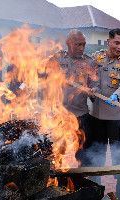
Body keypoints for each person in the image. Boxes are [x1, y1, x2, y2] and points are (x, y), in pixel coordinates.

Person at [89, 28, 120, 200]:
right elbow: (90, 77)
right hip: (97, 118)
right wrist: (92, 89)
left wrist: (116, 95)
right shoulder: (96, 58)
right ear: (108, 42)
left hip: (118, 119)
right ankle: (94, 195)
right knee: (96, 159)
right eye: (117, 43)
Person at [46, 29, 99, 167]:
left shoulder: (90, 62)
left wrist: (93, 91)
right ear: (68, 43)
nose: (81, 48)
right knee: (56, 152)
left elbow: (95, 85)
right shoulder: (56, 59)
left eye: (84, 45)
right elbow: (41, 75)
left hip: (81, 116)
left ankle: (83, 181)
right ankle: (54, 181)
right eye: (78, 45)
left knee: (84, 155)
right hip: (60, 115)